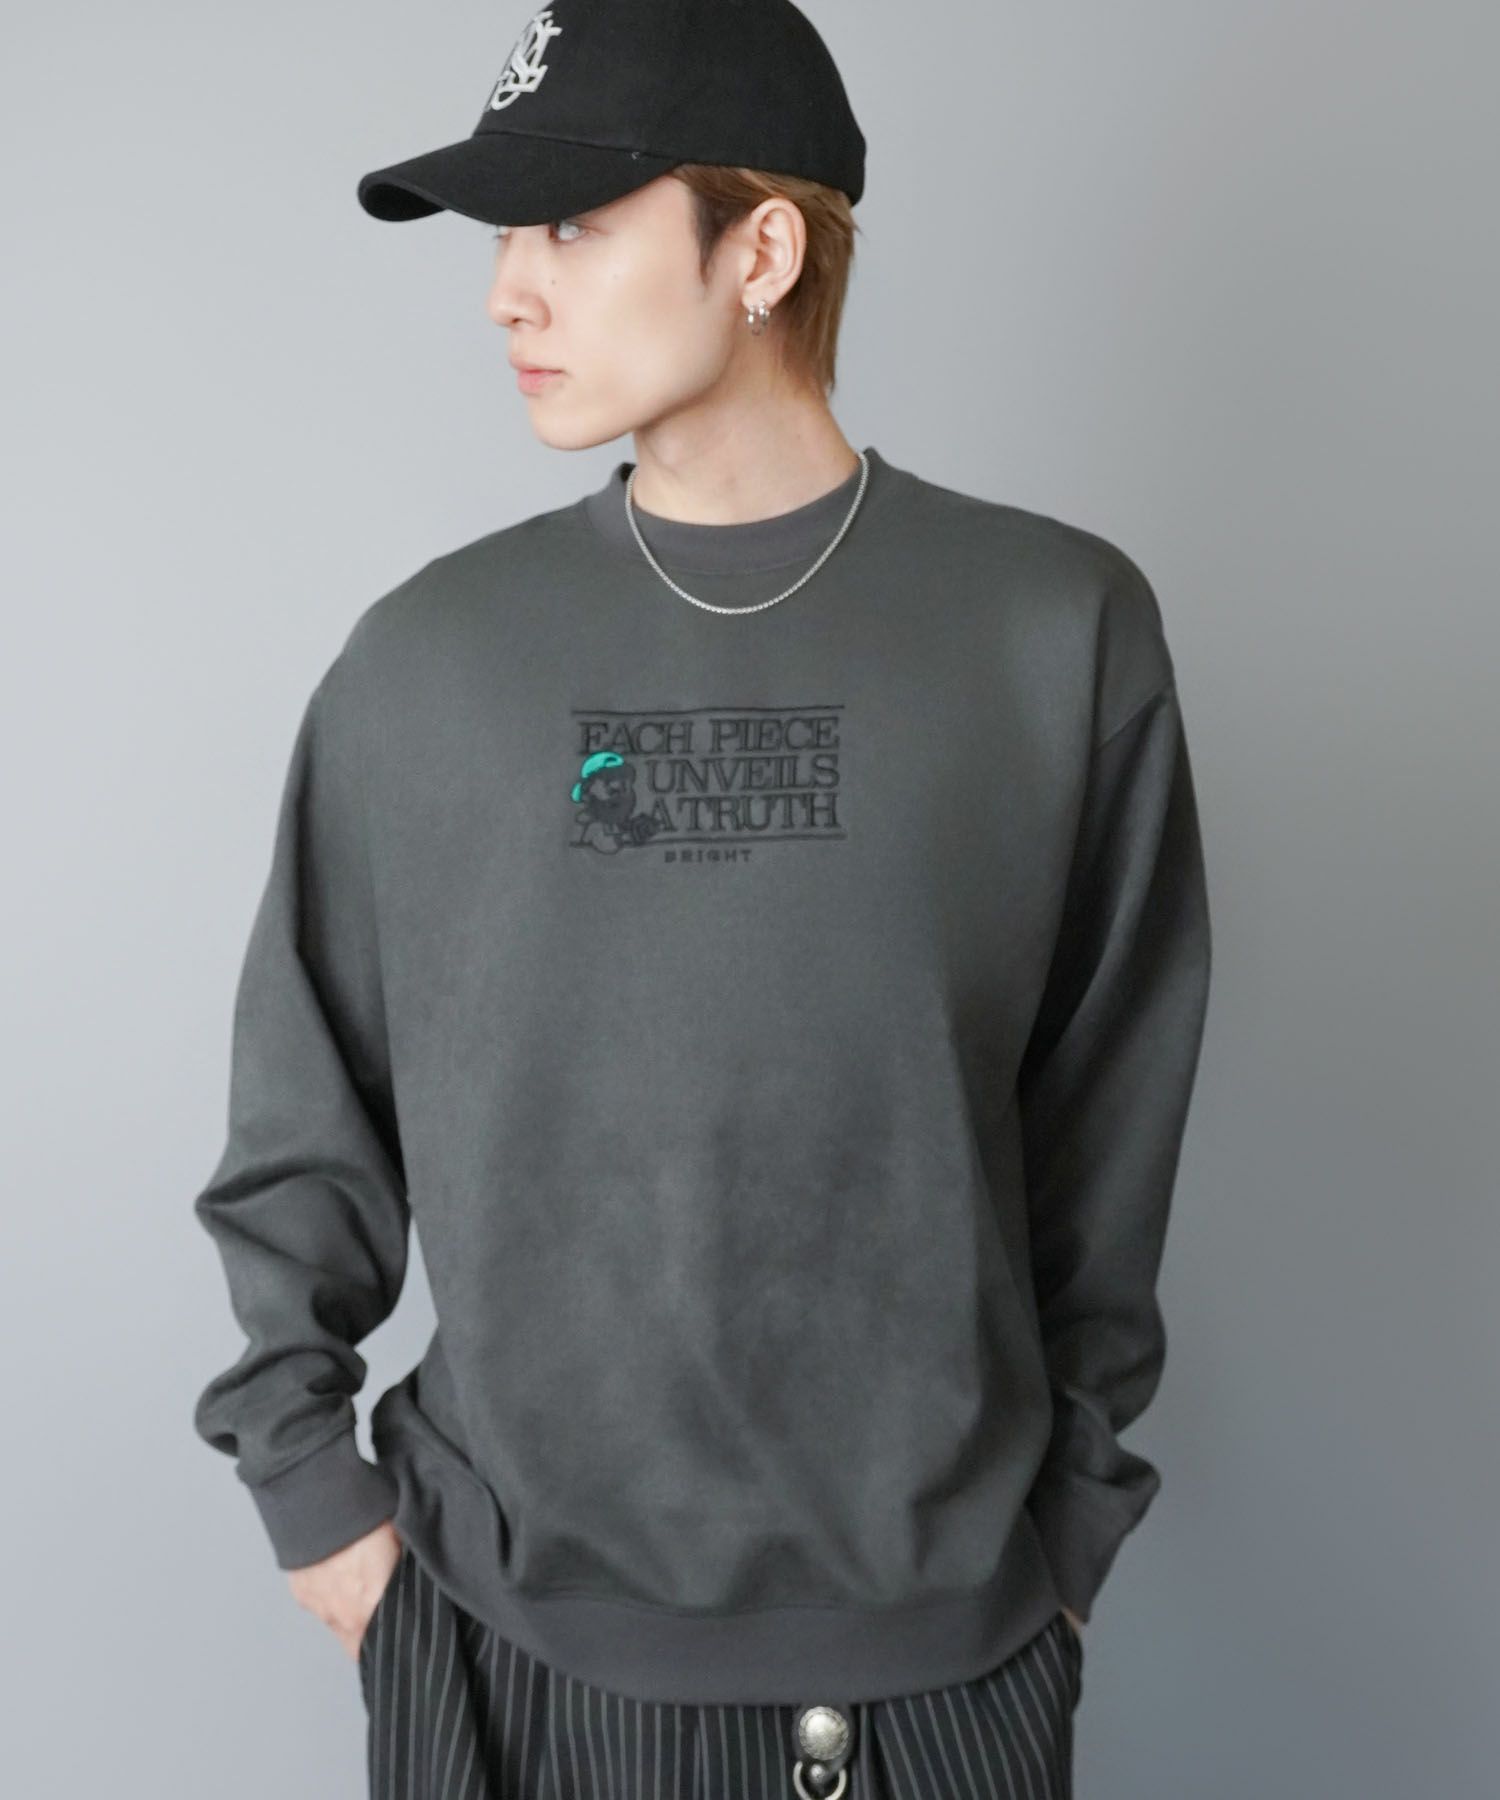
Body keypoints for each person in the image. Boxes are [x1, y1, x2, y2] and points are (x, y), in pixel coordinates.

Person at [190, 3, 1212, 1796]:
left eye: (571, 225)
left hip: (945, 1660)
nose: (506, 292)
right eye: (503, 236)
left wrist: (1067, 1537)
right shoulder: (427, 662)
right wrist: (315, 1505)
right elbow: (303, 1115)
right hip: (500, 1651)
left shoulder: (1058, 636)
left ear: (762, 252)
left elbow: (1105, 1129)